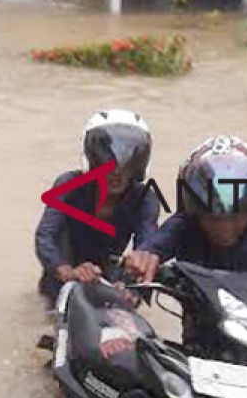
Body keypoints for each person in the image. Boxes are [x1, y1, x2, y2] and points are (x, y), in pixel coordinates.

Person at [123, 134, 247, 363]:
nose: (223, 227)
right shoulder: (183, 226)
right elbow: (152, 250)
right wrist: (142, 261)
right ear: (195, 211)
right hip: (199, 341)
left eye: (234, 217)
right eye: (211, 217)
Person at [35, 109, 159, 304]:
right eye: (107, 162)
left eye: (126, 163)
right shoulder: (68, 184)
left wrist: (131, 285)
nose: (116, 172)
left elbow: (148, 247)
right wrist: (67, 272)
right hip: (60, 284)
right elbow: (45, 236)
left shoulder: (144, 198)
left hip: (110, 284)